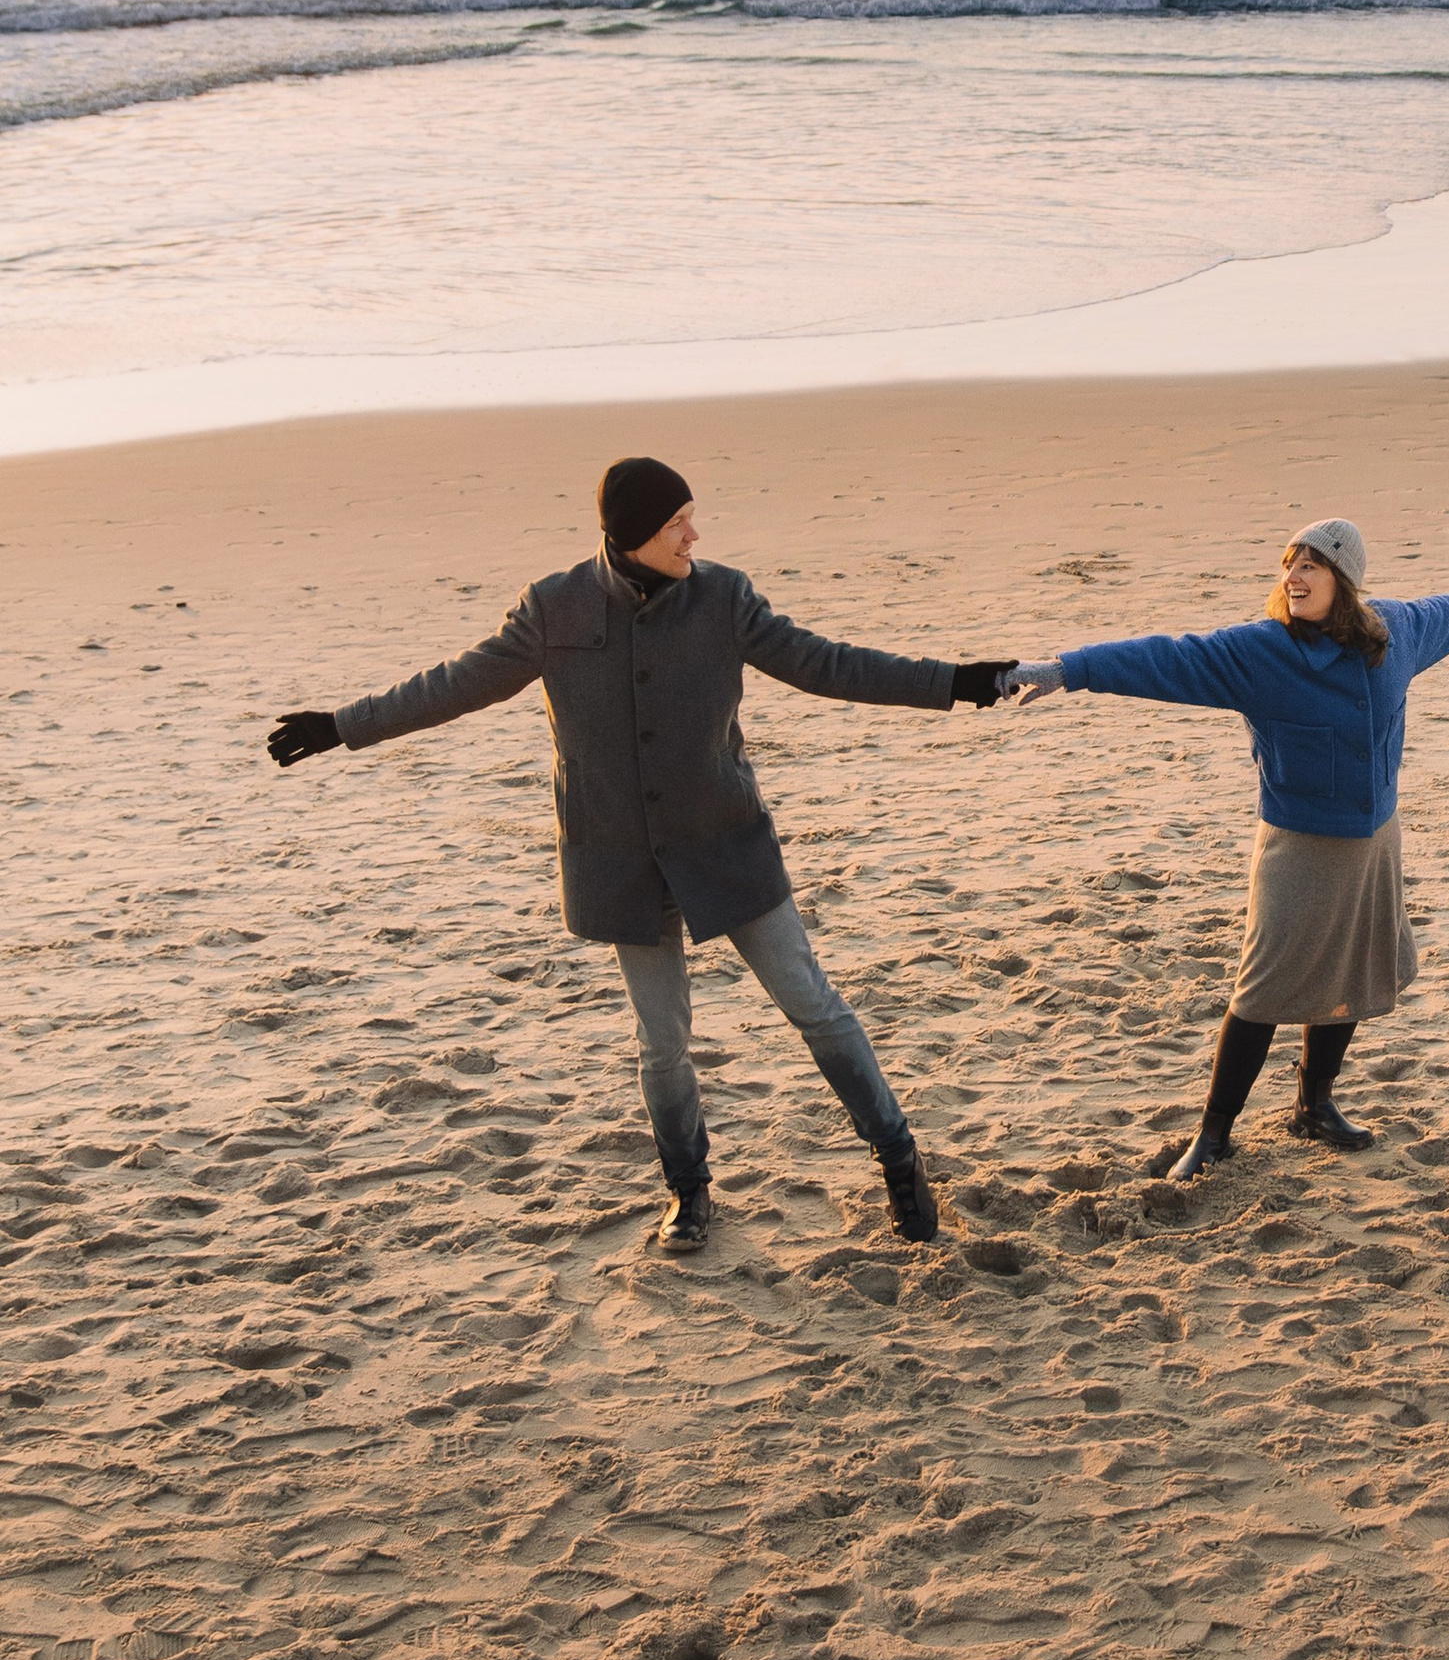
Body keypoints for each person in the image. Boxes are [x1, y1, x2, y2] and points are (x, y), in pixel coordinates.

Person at [265, 456, 1013, 1253]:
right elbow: (455, 684)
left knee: (814, 1005)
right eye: (675, 523)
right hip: (622, 859)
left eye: (692, 516)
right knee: (662, 1043)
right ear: (629, 537)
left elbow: (826, 663)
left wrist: (954, 683)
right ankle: (688, 1190)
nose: (694, 534)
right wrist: (339, 725)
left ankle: (898, 1158)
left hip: (724, 841)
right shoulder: (555, 609)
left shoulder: (723, 597)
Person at [1006, 518, 1449, 1178]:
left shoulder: (1393, 633)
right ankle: (1213, 1133)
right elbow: (1168, 657)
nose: (1294, 577)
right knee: (1261, 992)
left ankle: (1314, 1104)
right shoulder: (1263, 653)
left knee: (1350, 974)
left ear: (1344, 580)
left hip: (1374, 840)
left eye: (1312, 565)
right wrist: (1067, 670)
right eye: (1290, 564)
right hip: (1297, 845)